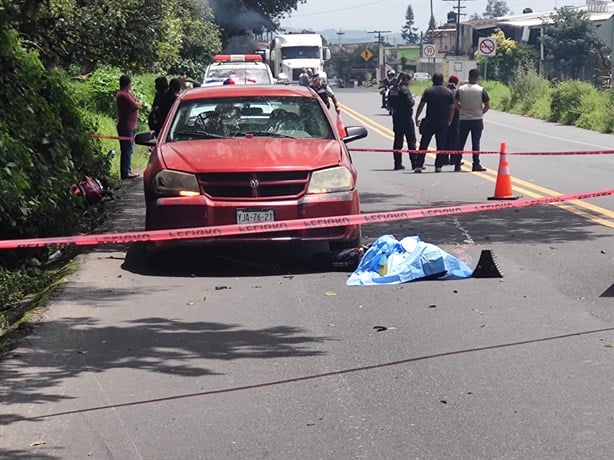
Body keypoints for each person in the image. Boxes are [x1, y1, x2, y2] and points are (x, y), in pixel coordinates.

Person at [414, 72, 455, 173]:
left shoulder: (428, 91)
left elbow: (421, 104)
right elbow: (452, 108)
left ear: (433, 80)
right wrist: (450, 120)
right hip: (443, 121)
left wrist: (417, 116)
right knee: (441, 144)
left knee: (424, 143)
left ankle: (419, 165)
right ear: (442, 80)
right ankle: (438, 166)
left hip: (430, 121)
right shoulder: (448, 92)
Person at [455, 68, 490, 172]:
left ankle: (457, 164)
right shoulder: (481, 90)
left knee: (460, 142)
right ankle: (476, 164)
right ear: (478, 78)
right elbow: (487, 105)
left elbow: (455, 103)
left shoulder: (461, 89)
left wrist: (461, 109)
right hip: (477, 119)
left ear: (469, 77)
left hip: (464, 119)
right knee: (476, 143)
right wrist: (480, 112)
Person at [387, 72, 416, 170]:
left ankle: (397, 163)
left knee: (398, 141)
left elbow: (389, 104)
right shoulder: (405, 90)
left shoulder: (393, 90)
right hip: (406, 118)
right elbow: (410, 103)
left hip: (396, 118)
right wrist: (413, 100)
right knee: (411, 142)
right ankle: (414, 163)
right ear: (406, 80)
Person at [115, 74, 141, 179]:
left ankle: (128, 169)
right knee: (126, 149)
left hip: (130, 126)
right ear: (128, 84)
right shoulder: (123, 95)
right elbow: (136, 105)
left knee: (129, 149)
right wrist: (137, 104)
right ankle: (125, 172)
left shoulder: (127, 94)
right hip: (126, 126)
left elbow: (136, 102)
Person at [444, 74, 461, 169]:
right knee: (454, 138)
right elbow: (458, 104)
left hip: (444, 117)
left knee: (445, 137)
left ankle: (444, 158)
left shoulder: (445, 90)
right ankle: (453, 159)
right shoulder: (456, 92)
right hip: (455, 117)